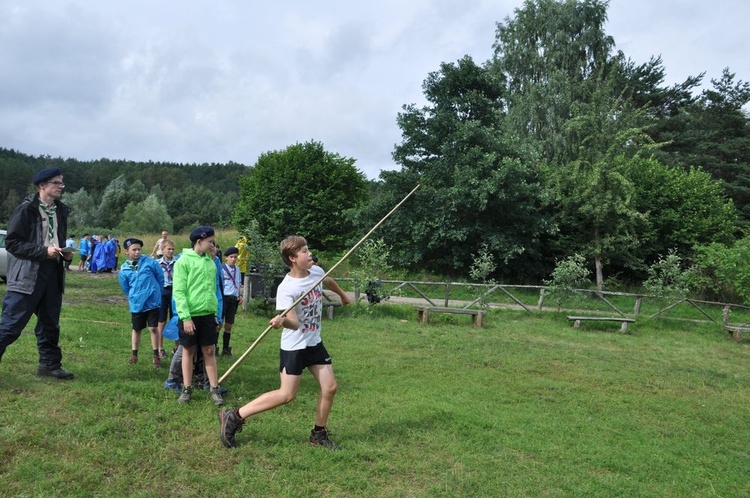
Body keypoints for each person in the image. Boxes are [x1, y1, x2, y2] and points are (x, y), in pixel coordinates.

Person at [219, 235, 351, 449]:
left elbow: (327, 280)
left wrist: (342, 296)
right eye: (305, 251)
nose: (310, 254)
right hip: (295, 346)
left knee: (330, 387)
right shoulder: (287, 288)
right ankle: (234, 416)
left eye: (308, 250)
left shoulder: (315, 272)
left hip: (314, 342)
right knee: (286, 395)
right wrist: (282, 321)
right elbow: (295, 323)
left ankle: (319, 434)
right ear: (292, 258)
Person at [0, 167, 75, 379]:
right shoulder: (26, 209)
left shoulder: (60, 210)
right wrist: (43, 251)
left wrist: (63, 254)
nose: (61, 186)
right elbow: (12, 243)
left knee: (50, 323)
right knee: (11, 325)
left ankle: (49, 366)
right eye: (56, 183)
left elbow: (56, 240)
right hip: (27, 275)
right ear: (42, 185)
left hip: (53, 272)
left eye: (62, 183)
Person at [172, 225, 224, 405]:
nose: (212, 245)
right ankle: (187, 388)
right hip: (190, 315)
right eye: (210, 242)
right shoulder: (183, 262)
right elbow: (179, 291)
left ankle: (214, 388)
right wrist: (185, 317)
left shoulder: (211, 262)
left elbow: (213, 290)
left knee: (209, 350)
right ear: (199, 241)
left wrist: (215, 314)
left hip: (208, 314)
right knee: (188, 350)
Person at [118, 238, 165, 368]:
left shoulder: (150, 263)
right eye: (134, 249)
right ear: (127, 251)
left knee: (153, 328)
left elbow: (160, 278)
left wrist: (155, 292)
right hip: (137, 303)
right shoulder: (124, 269)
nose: (137, 252)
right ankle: (134, 354)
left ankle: (156, 355)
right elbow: (125, 287)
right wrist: (134, 296)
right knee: (137, 328)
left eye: (139, 249)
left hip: (152, 302)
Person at [220, 246, 242, 358]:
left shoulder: (237, 269)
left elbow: (238, 283)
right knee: (218, 324)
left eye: (235, 257)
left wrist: (240, 295)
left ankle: (225, 348)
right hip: (224, 298)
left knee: (229, 325)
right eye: (231, 257)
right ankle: (214, 347)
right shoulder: (222, 270)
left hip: (233, 299)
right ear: (226, 258)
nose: (233, 259)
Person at [156, 239, 176, 359]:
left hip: (174, 291)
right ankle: (160, 348)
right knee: (161, 321)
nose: (171, 251)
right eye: (168, 249)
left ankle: (177, 347)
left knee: (175, 319)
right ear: (162, 250)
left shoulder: (178, 262)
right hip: (162, 291)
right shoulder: (157, 264)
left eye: (173, 249)